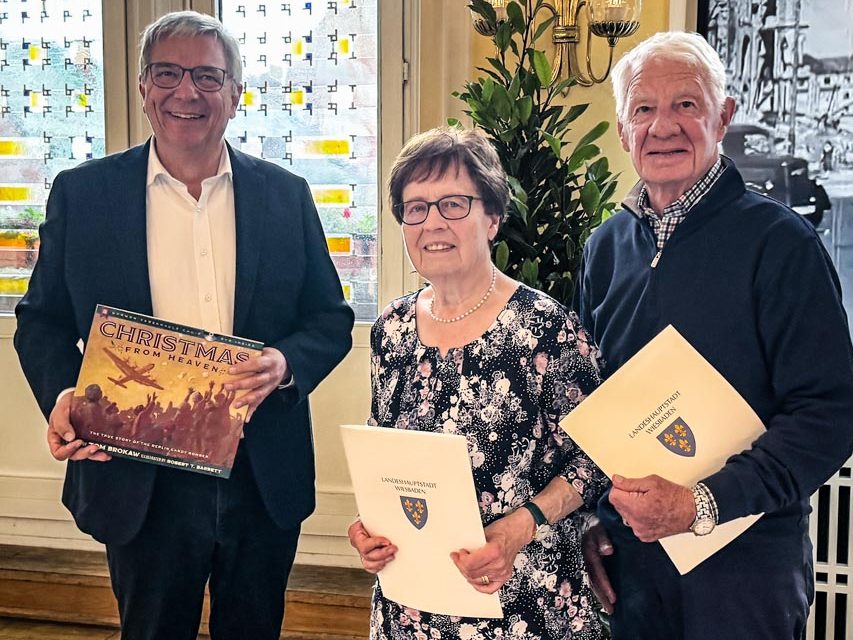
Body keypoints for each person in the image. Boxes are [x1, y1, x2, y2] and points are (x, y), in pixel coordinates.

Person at [14, 11, 353, 639]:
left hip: (260, 471)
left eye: (207, 76)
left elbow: (329, 317)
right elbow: (40, 322)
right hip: (138, 476)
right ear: (143, 88)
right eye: (167, 74)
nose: (186, 92)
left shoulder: (286, 195)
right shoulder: (83, 195)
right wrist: (63, 395)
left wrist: (285, 364)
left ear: (236, 93)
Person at [574, 32, 853, 639]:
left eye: (687, 105)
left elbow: (826, 416)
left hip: (744, 569)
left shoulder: (781, 244)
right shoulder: (604, 250)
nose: (664, 126)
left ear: (723, 117)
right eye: (643, 109)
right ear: (624, 131)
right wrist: (595, 519)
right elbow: (597, 405)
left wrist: (703, 504)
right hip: (634, 562)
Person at [347, 126, 607, 640]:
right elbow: (385, 458)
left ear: (492, 217)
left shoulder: (545, 328)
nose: (432, 223)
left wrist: (520, 526)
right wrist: (367, 528)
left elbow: (596, 458)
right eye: (415, 208)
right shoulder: (392, 331)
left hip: (524, 602)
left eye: (453, 204)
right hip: (412, 607)